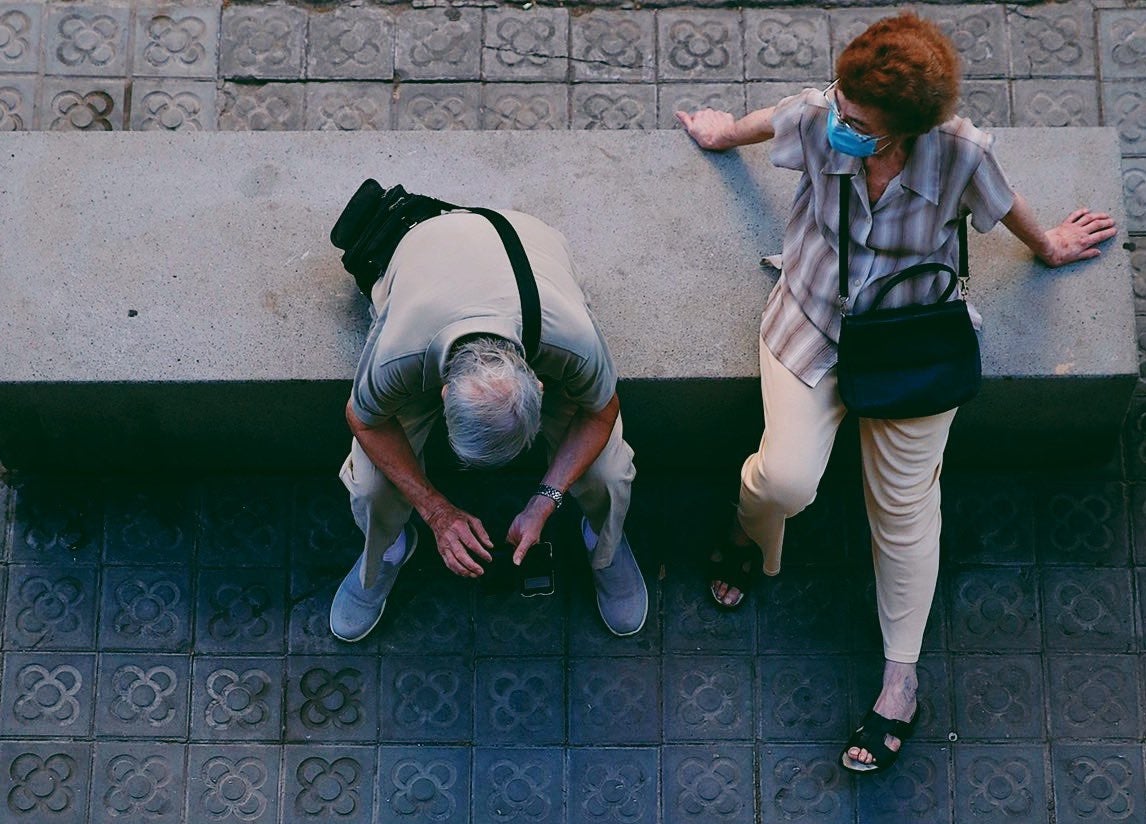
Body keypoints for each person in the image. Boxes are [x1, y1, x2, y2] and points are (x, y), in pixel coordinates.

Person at [677, 11, 1117, 774]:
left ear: (907, 130)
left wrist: (1047, 245)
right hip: (811, 318)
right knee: (784, 479)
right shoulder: (824, 114)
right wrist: (720, 135)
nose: (837, 117)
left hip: (914, 341)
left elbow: (1001, 204)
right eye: (841, 102)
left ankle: (900, 684)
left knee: (907, 511)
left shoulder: (959, 153)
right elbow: (776, 117)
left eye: (859, 121)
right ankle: (752, 537)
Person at [330, 207, 648, 643]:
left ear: (540, 383)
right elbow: (362, 420)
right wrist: (436, 511)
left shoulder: (572, 338)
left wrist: (544, 499)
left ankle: (604, 546)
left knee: (609, 472)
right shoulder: (400, 351)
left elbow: (601, 409)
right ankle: (386, 550)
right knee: (369, 484)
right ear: (441, 394)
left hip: (531, 249)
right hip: (433, 250)